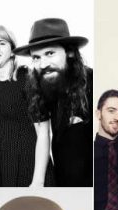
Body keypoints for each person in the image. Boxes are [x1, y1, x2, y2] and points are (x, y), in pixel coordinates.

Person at [15, 18, 92, 187]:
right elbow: (43, 134)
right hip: (63, 182)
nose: (43, 64)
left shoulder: (93, 81)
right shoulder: (41, 85)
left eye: (50, 53)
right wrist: (37, 182)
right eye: (36, 57)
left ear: (70, 52)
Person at [0, 25, 54, 187]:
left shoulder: (27, 78)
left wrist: (38, 180)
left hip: (26, 161)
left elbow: (44, 133)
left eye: (1, 43)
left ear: (12, 50)